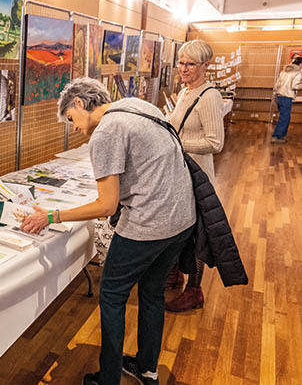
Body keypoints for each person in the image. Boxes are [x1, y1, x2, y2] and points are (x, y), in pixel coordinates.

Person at [21, 77, 196, 385]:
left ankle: (109, 379)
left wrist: (52, 216)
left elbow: (107, 205)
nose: (74, 128)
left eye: (71, 119)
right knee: (152, 292)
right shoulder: (137, 105)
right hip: (181, 220)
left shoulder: (105, 132)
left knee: (113, 296)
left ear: (79, 103)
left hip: (148, 224)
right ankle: (147, 370)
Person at [164, 39, 225, 312]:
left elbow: (215, 143)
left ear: (205, 65)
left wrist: (177, 143)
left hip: (197, 176)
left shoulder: (209, 97)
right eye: (181, 62)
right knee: (180, 228)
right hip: (181, 173)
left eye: (190, 64)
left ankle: (194, 290)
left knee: (197, 235)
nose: (184, 68)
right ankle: (176, 273)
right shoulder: (186, 91)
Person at [271, 56, 302, 143]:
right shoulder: (297, 73)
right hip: (287, 97)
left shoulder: (284, 71)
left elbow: (276, 84)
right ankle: (277, 137)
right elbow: (295, 86)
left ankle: (280, 136)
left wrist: (274, 95)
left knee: (284, 117)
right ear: (300, 64)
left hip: (279, 96)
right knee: (284, 118)